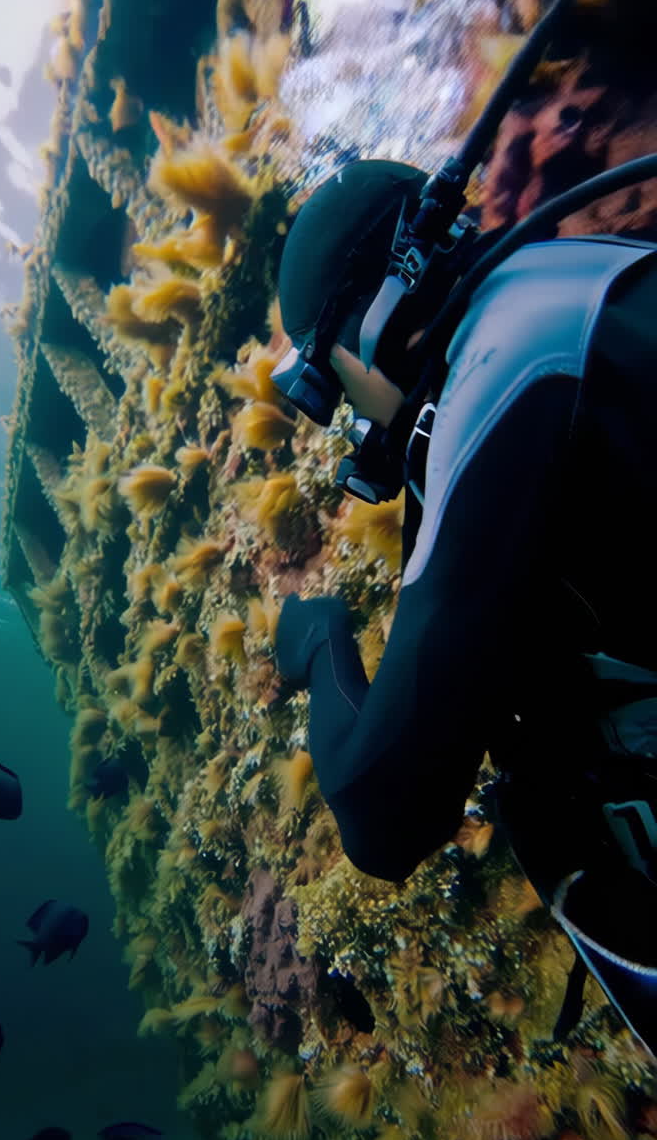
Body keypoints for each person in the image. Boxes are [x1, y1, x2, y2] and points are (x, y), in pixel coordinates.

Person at [270, 153, 657, 1058]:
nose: (355, 422)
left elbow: (383, 812)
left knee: (557, 814)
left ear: (373, 323)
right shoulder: (568, 281)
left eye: (329, 380)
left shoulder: (507, 367)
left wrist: (321, 641)